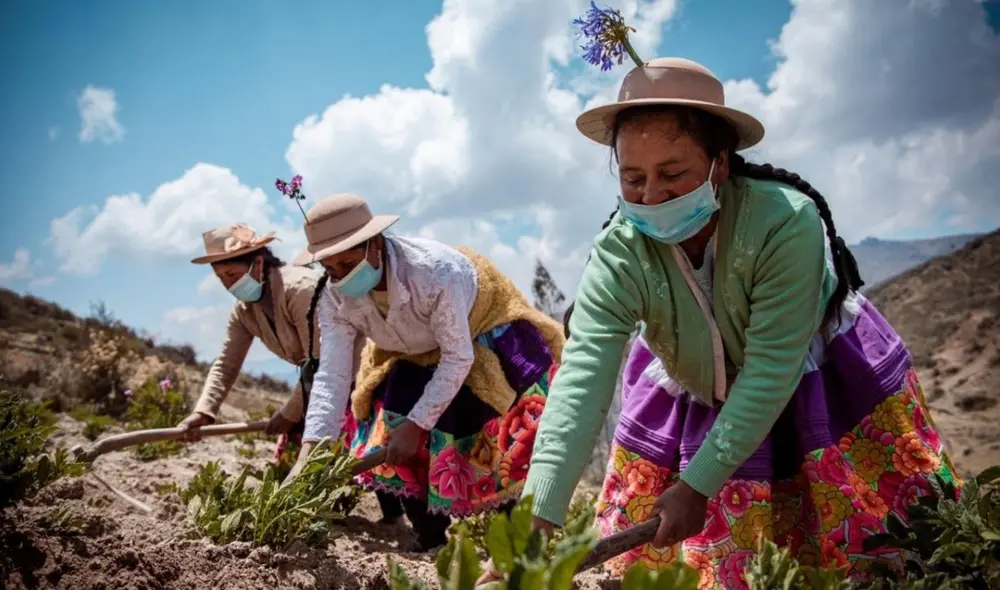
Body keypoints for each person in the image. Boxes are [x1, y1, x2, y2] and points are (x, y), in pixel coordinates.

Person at [514, 58, 960, 585]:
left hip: (817, 383)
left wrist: (697, 484)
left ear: (719, 164)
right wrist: (536, 518)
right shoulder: (620, 253)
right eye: (633, 178)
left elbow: (772, 369)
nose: (651, 196)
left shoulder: (784, 222)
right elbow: (582, 379)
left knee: (880, 552)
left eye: (673, 174)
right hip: (698, 389)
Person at [288, 193, 564, 552]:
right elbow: (334, 374)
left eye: (348, 262)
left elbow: (456, 357)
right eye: (331, 268)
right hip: (407, 351)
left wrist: (419, 425)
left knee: (493, 439)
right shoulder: (334, 296)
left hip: (479, 335)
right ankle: (430, 539)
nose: (341, 276)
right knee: (394, 432)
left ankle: (515, 543)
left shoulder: (433, 273)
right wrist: (311, 451)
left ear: (374, 245)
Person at [177, 223, 365, 468]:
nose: (228, 285)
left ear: (258, 263)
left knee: (351, 470)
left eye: (232, 275)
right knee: (296, 474)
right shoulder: (244, 311)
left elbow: (323, 362)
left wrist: (290, 412)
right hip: (313, 387)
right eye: (221, 277)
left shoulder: (301, 289)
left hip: (354, 380)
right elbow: (226, 365)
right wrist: (203, 412)